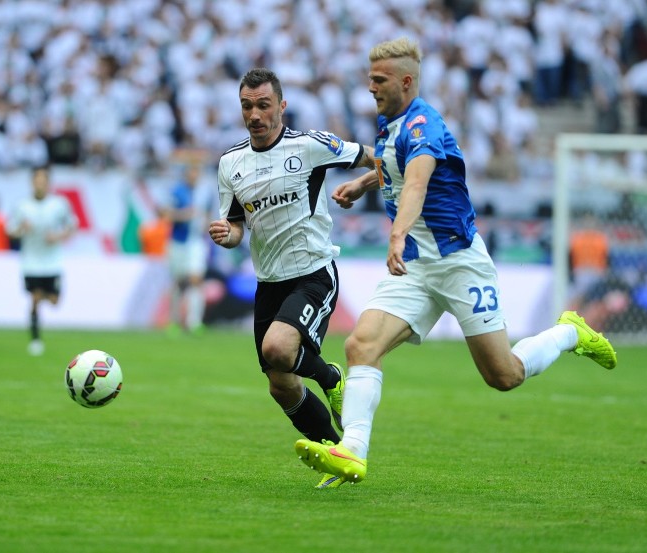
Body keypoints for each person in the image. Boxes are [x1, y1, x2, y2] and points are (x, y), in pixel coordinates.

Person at [293, 37, 618, 487]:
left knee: (503, 376)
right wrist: (365, 184)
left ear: (406, 81)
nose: (370, 87)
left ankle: (568, 332)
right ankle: (353, 451)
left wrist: (397, 231)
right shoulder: (389, 125)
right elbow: (395, 168)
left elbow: (417, 183)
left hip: (458, 262)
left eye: (379, 79)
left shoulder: (426, 124)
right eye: (369, 78)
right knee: (360, 345)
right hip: (414, 266)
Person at [208, 68, 376, 489]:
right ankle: (339, 454)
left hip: (314, 273)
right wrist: (226, 235)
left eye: (264, 105)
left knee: (278, 349)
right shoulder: (231, 163)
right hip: (269, 282)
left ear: (281, 106)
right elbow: (235, 228)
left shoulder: (311, 145)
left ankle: (330, 378)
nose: (255, 114)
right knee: (280, 386)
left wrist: (363, 182)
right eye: (247, 106)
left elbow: (375, 156)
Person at [7, 165, 77, 356]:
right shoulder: (22, 206)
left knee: (54, 301)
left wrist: (58, 236)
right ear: (32, 183)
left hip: (52, 261)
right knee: (35, 298)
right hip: (31, 261)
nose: (40, 184)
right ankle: (35, 339)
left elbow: (72, 226)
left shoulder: (59, 204)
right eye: (37, 181)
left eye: (43, 181)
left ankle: (43, 300)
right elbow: (10, 231)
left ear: (48, 183)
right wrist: (21, 228)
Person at [163, 162, 212, 335]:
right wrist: (185, 214)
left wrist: (206, 225)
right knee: (178, 282)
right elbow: (166, 214)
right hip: (178, 242)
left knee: (196, 279)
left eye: (197, 171)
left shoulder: (205, 192)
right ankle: (174, 321)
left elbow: (207, 213)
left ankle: (194, 322)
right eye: (192, 171)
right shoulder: (177, 191)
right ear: (186, 174)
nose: (194, 175)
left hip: (196, 242)